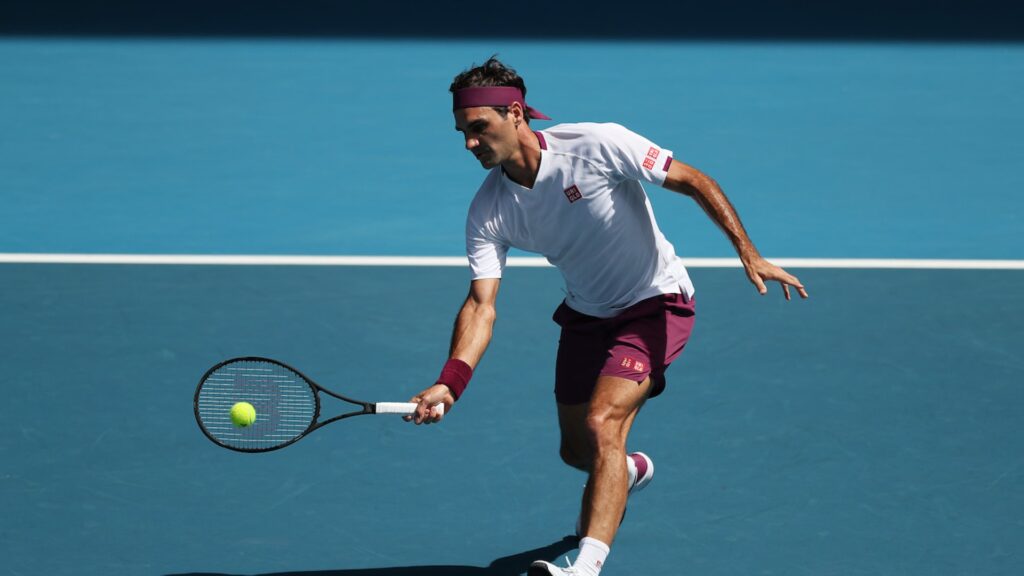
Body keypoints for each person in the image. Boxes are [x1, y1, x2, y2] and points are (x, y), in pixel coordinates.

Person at [406, 57, 808, 576]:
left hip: (656, 301)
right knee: (580, 452)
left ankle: (587, 563)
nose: (469, 144)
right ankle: (631, 470)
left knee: (603, 423)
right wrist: (450, 383)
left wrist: (747, 252)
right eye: (462, 133)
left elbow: (693, 180)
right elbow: (481, 305)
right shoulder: (489, 211)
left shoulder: (596, 144)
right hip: (585, 315)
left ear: (514, 114)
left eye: (479, 129)